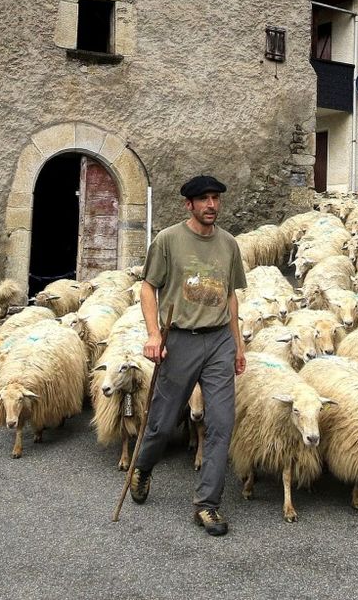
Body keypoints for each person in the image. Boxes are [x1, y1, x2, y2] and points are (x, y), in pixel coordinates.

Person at [131, 174, 247, 537]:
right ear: (189, 204)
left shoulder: (228, 244)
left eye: (216, 198)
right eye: (204, 199)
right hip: (180, 340)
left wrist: (238, 343)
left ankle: (207, 504)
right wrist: (154, 334)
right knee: (163, 422)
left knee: (221, 423)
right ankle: (143, 466)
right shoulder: (168, 240)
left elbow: (230, 295)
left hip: (219, 341)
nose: (211, 205)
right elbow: (148, 288)